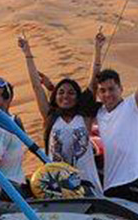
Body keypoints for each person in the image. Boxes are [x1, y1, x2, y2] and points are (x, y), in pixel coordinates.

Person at [88, 28, 138, 204]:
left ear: (121, 89)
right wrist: (97, 51)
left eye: (111, 89)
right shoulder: (99, 113)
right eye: (103, 91)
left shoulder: (132, 106)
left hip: (132, 181)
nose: (107, 94)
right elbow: (89, 89)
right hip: (110, 187)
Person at [16, 34, 102, 192]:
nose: (65, 96)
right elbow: (36, 86)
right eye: (61, 92)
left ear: (78, 97)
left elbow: (94, 81)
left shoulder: (84, 117)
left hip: (87, 184)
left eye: (71, 93)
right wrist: (27, 53)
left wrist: (98, 47)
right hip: (56, 185)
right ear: (55, 96)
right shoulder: (50, 116)